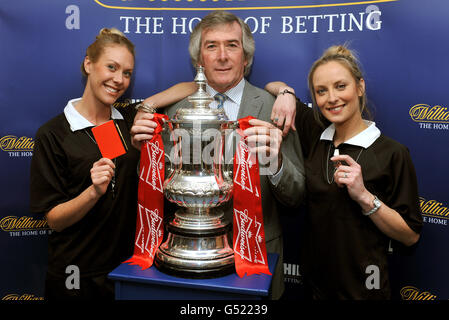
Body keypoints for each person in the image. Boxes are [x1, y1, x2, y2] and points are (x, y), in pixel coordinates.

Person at [131, 11, 306, 300]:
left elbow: (296, 195)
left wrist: (275, 164)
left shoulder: (275, 108)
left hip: (258, 261)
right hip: (189, 262)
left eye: (232, 45)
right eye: (211, 46)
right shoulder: (173, 113)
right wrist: (146, 157)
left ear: (246, 58)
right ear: (199, 60)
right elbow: (160, 188)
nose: (222, 55)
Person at [265, 45, 423, 299]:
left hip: (365, 289)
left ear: (359, 87)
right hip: (316, 286)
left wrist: (364, 197)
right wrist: (286, 93)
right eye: (321, 91)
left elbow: (410, 236)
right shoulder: (315, 132)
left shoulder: (392, 153)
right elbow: (272, 85)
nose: (332, 98)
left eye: (341, 86)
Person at [30, 28, 140, 300]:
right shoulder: (55, 133)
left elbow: (185, 89)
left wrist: (151, 105)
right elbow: (54, 220)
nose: (119, 79)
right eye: (111, 67)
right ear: (88, 64)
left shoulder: (125, 121)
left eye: (127, 73)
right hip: (76, 276)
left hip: (125, 270)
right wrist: (93, 192)